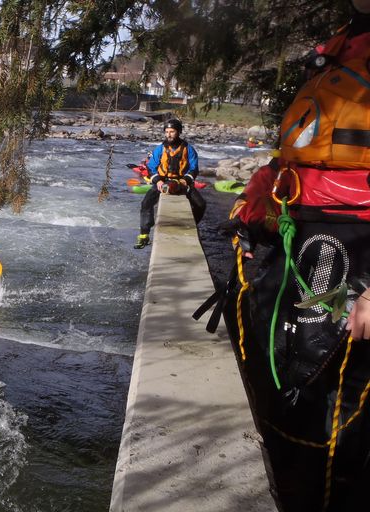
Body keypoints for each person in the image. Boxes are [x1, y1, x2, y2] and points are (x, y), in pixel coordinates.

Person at [219, 3, 370, 509]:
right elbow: (292, 159)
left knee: (342, 419)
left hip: (361, 251)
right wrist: (254, 208)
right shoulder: (336, 51)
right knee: (285, 385)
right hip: (301, 244)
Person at [134, 118, 206, 249]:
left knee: (201, 204)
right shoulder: (160, 149)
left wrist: (186, 180)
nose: (168, 134)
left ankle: (192, 226)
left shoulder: (188, 149)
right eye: (166, 132)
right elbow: (151, 167)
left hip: (182, 182)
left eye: (172, 131)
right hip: (163, 181)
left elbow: (194, 168)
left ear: (178, 132)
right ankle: (144, 234)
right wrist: (158, 181)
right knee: (145, 203)